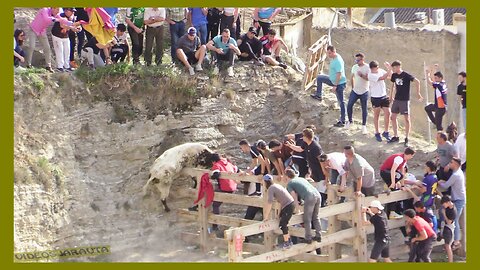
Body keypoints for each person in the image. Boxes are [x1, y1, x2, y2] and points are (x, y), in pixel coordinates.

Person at [380, 147, 416, 229]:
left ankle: (391, 211)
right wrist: (393, 182)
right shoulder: (399, 158)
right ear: (409, 154)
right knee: (397, 180)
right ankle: (391, 211)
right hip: (385, 171)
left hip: (389, 172)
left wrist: (402, 185)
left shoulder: (404, 160)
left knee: (395, 189)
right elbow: (393, 170)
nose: (411, 158)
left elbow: (402, 173)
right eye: (412, 156)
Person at [389, 60, 423, 147]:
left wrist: (418, 93)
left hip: (404, 99)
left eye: (394, 67)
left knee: (407, 119)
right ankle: (396, 136)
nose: (393, 69)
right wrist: (391, 96)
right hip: (397, 98)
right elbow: (393, 85)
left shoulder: (406, 75)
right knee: (393, 117)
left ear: (398, 67)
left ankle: (407, 138)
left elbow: (417, 81)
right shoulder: (394, 75)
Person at [26, 8, 71, 72]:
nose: (58, 11)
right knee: (31, 46)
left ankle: (48, 66)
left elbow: (62, 20)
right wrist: (57, 19)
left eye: (59, 10)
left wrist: (70, 23)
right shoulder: (45, 10)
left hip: (42, 31)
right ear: (53, 7)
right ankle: (28, 64)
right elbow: (46, 18)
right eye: (57, 9)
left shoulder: (56, 14)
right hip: (33, 29)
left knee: (47, 48)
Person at [312, 46, 347, 127]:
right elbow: (329, 51)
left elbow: (339, 74)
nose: (328, 55)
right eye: (327, 53)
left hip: (339, 83)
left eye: (329, 53)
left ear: (334, 52)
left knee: (341, 101)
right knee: (320, 78)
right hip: (332, 80)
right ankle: (318, 95)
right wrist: (325, 49)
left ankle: (343, 120)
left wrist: (335, 85)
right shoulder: (335, 56)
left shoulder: (338, 61)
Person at [285, 169, 322, 244]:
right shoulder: (300, 179)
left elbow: (294, 197)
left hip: (309, 197)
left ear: (286, 176)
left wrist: (297, 208)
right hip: (317, 195)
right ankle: (319, 235)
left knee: (307, 218)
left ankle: (308, 237)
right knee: (315, 217)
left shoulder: (290, 184)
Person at [437, 157, 465, 252]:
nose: (450, 164)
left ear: (456, 164)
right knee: (455, 219)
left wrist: (439, 182)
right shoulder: (458, 172)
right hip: (458, 198)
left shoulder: (455, 174)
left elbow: (446, 185)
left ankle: (456, 241)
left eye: (451, 162)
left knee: (455, 219)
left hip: (458, 199)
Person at [362, 61, 393, 142]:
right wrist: (389, 69)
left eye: (376, 69)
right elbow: (382, 78)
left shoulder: (381, 71)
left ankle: (386, 131)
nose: (375, 70)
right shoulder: (370, 75)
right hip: (375, 97)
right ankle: (377, 132)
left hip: (383, 95)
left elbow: (390, 76)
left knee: (388, 113)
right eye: (373, 69)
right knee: (377, 115)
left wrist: (389, 69)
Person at [262, 174, 295, 249]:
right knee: (282, 222)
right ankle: (289, 241)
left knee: (283, 223)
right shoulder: (276, 186)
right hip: (288, 204)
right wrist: (278, 214)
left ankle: (287, 243)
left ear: (265, 182)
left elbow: (269, 203)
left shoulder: (271, 188)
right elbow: (279, 202)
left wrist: (266, 217)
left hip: (288, 205)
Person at [209, 153, 239, 231]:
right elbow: (236, 169)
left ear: (213, 161)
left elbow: (216, 175)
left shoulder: (216, 165)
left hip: (225, 189)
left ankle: (215, 226)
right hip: (234, 188)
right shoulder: (229, 163)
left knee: (215, 205)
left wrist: (210, 176)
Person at [346, 53, 370, 133]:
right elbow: (352, 77)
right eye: (356, 60)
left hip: (364, 91)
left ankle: (363, 125)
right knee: (349, 105)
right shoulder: (354, 67)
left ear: (362, 60)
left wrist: (362, 75)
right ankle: (350, 121)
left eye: (358, 60)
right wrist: (352, 87)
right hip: (355, 90)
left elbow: (368, 79)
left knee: (364, 108)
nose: (356, 62)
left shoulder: (367, 67)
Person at [424, 67, 448, 131]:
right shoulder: (443, 83)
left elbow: (430, 82)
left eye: (436, 78)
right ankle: (435, 122)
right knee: (427, 108)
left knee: (439, 128)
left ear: (440, 78)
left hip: (440, 108)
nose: (435, 80)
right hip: (437, 106)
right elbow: (434, 81)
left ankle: (443, 137)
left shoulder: (439, 85)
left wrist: (428, 74)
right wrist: (435, 70)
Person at [440, 195, 457, 262]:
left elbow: (449, 222)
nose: (443, 206)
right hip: (445, 227)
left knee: (447, 245)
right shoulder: (449, 205)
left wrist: (444, 214)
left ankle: (450, 261)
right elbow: (442, 196)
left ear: (447, 202)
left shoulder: (453, 211)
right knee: (446, 245)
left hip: (449, 228)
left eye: (444, 204)